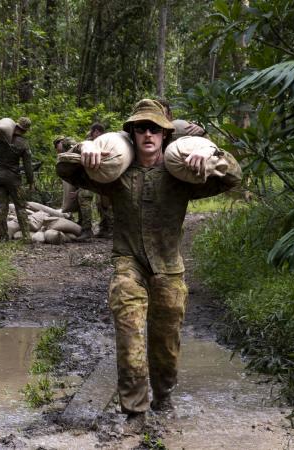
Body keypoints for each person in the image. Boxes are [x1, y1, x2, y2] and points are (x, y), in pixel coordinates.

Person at [56, 99, 241, 430]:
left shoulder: (180, 172)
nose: (148, 134)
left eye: (155, 128)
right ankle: (135, 411)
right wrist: (85, 149)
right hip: (129, 265)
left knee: (165, 345)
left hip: (169, 269)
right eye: (140, 128)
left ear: (165, 134)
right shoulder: (115, 172)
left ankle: (164, 396)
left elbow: (232, 178)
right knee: (129, 335)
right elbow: (65, 169)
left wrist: (212, 156)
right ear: (132, 135)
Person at [0, 117, 35, 241]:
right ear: (25, 130)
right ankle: (27, 237)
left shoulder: (1, 138)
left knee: (2, 208)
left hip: (0, 178)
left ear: (16, 126)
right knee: (21, 207)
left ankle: (3, 237)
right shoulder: (23, 143)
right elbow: (28, 166)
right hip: (14, 180)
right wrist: (31, 181)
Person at [85, 122, 113, 239]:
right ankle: (103, 228)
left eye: (99, 131)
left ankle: (110, 229)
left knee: (107, 204)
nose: (96, 134)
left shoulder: (106, 142)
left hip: (106, 177)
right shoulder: (89, 142)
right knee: (99, 204)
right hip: (93, 177)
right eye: (95, 131)